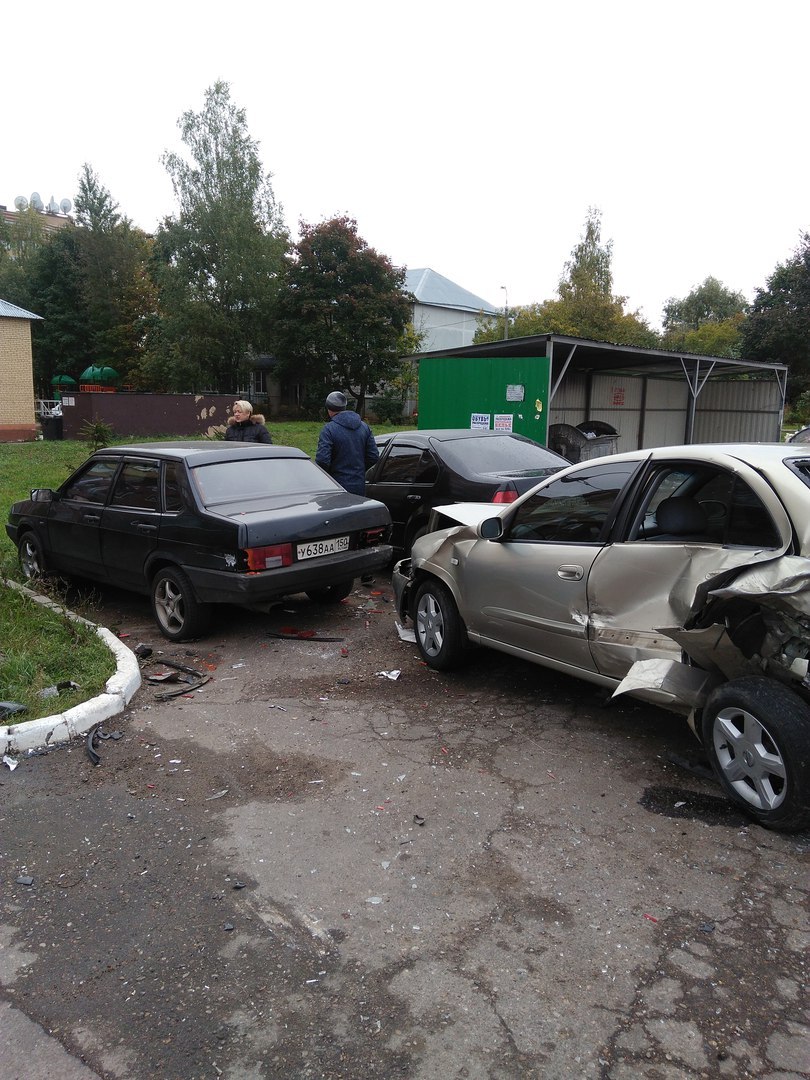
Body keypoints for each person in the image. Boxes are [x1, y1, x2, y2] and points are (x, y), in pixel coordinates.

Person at [315, 391, 379, 496]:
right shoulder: (364, 427)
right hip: (359, 486)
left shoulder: (328, 430)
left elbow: (322, 461)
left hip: (336, 487)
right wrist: (358, 470)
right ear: (344, 406)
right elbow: (373, 456)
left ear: (328, 409)